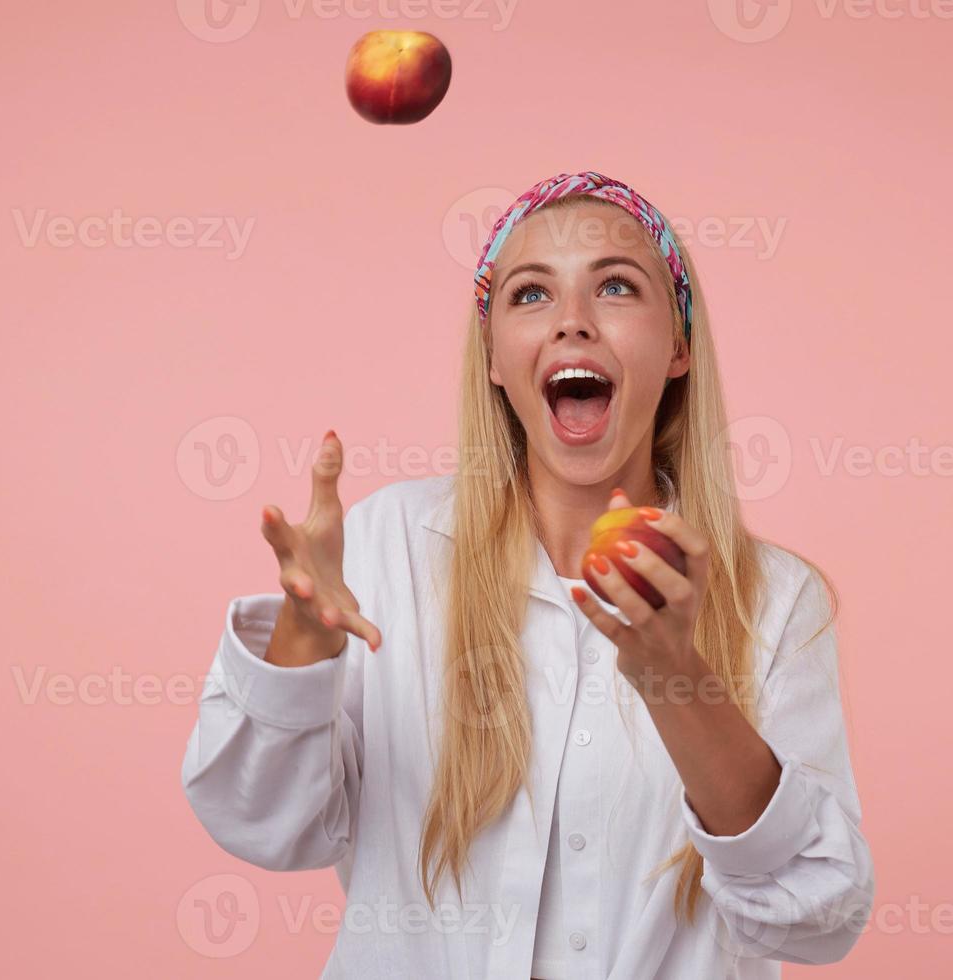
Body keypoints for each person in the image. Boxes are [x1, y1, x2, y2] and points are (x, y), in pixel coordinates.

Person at [180, 171, 875, 979]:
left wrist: (676, 677)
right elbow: (265, 824)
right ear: (496, 363)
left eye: (615, 286)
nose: (572, 323)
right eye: (531, 295)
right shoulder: (388, 545)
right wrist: (303, 635)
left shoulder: (776, 600)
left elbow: (819, 917)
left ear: (679, 346)